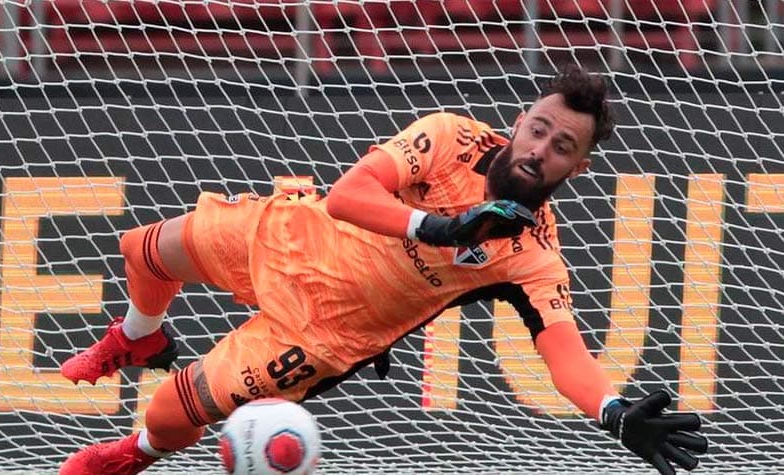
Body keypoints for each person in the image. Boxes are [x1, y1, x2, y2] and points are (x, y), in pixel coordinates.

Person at [58, 64, 708, 475]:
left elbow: (564, 354)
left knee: (172, 413)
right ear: (519, 122)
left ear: (578, 166)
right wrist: (438, 227)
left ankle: (132, 455)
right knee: (142, 248)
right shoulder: (450, 137)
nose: (540, 149)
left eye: (561, 145)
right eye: (538, 129)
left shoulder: (533, 256)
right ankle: (139, 335)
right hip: (294, 235)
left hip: (323, 334)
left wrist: (613, 410)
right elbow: (348, 194)